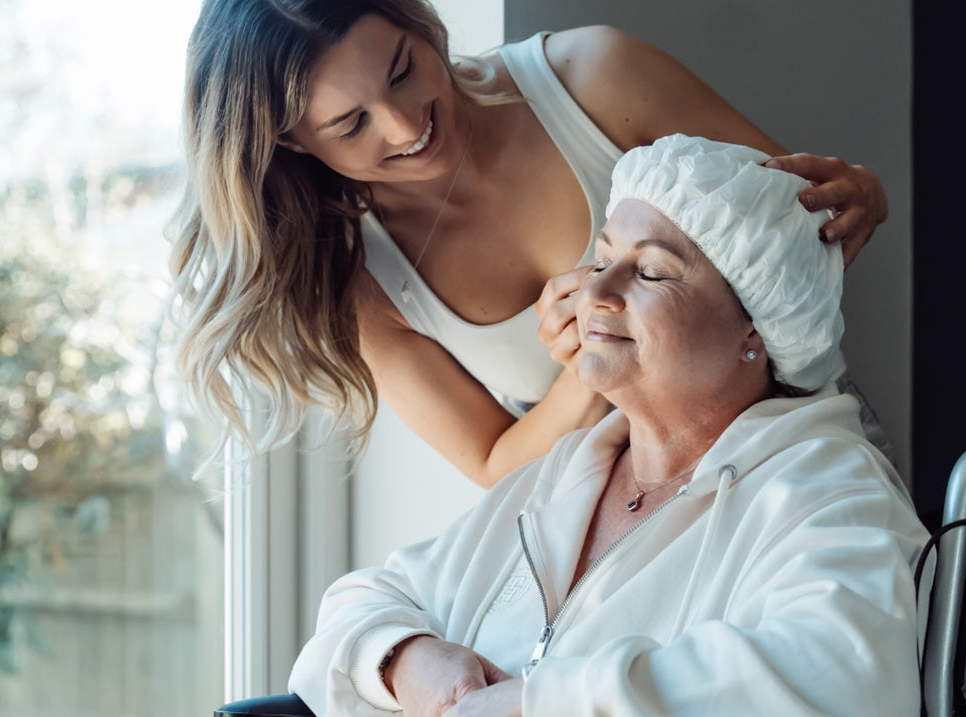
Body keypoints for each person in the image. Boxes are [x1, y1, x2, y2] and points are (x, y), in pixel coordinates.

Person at [287, 135, 926, 716]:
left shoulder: (829, 491)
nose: (596, 292)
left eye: (649, 271)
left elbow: (846, 677)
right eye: (601, 261)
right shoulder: (564, 474)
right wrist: (406, 658)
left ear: (755, 329)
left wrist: (535, 706)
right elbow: (359, 604)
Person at [170, 0, 890, 487]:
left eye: (402, 69)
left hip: (789, 455)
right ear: (290, 139)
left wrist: (864, 195)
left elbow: (793, 246)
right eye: (351, 124)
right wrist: (592, 363)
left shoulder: (594, 79)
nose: (403, 126)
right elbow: (492, 461)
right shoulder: (358, 280)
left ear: (417, 20)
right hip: (619, 523)